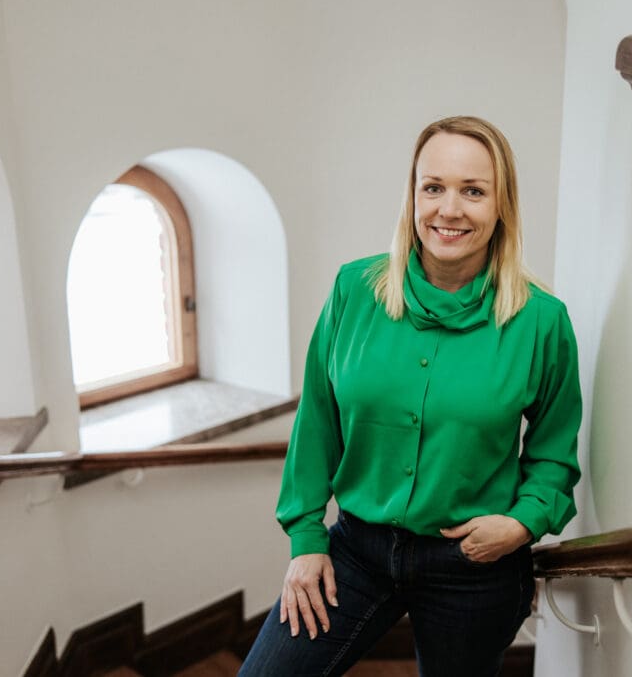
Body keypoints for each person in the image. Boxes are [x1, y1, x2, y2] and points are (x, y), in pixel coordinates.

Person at [239, 116, 582, 676]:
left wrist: (521, 524)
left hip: (473, 565)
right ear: (413, 196)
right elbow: (318, 421)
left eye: (474, 191)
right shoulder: (354, 290)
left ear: (502, 205)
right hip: (356, 552)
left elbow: (553, 454)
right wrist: (306, 538)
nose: (449, 209)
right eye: (434, 187)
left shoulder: (541, 321)